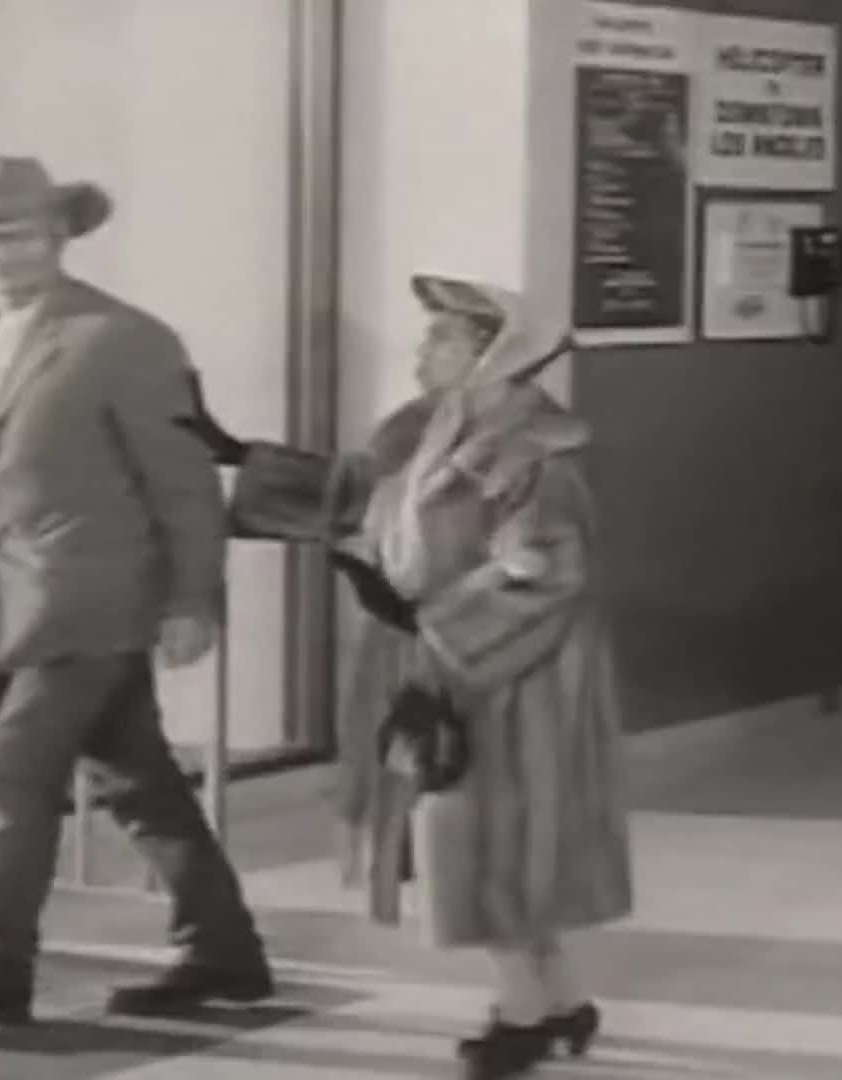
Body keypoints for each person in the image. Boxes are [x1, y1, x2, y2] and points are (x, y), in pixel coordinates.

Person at [0, 155, 273, 1031]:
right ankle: (225, 954)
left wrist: (193, 599)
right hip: (28, 597)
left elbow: (186, 483)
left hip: (94, 601)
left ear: (58, 236)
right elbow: (10, 464)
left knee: (13, 775)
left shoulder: (123, 337)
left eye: (13, 233)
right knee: (138, 780)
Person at [178, 274, 632, 1080]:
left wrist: (430, 619)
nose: (422, 350)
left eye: (443, 338)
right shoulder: (432, 430)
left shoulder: (533, 458)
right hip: (451, 668)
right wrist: (242, 456)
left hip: (508, 683)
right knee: (495, 844)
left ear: (494, 353)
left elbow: (550, 578)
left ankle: (520, 1016)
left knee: (487, 841)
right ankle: (559, 1002)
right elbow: (360, 491)